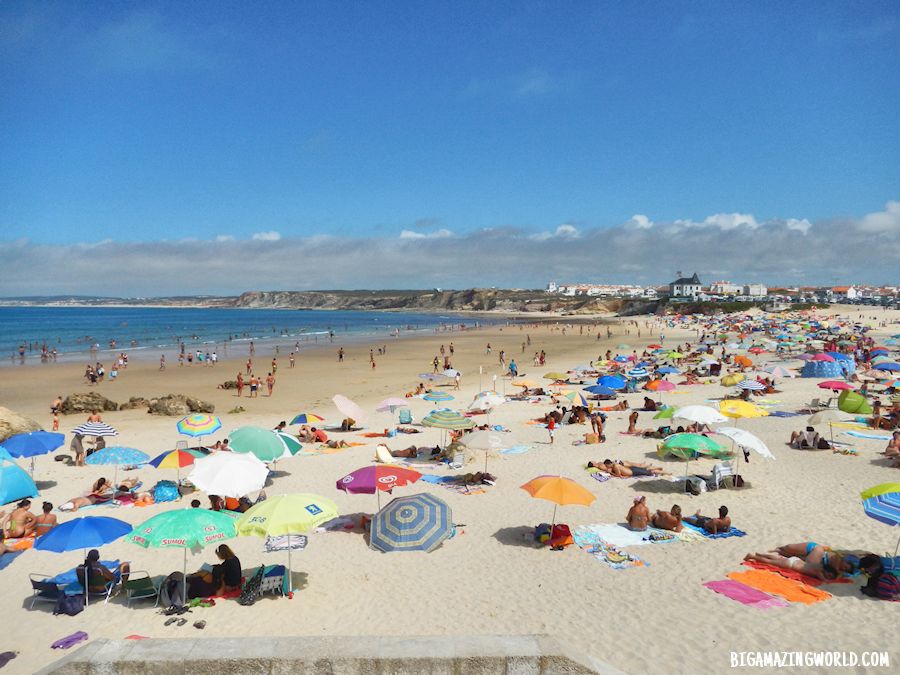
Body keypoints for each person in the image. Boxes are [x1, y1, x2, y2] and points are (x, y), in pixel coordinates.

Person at [589, 459, 668, 477]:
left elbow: (619, 475)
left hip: (632, 472)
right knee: (645, 469)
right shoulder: (615, 464)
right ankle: (658, 469)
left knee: (650, 473)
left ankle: (666, 473)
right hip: (631, 469)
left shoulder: (615, 466)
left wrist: (610, 473)